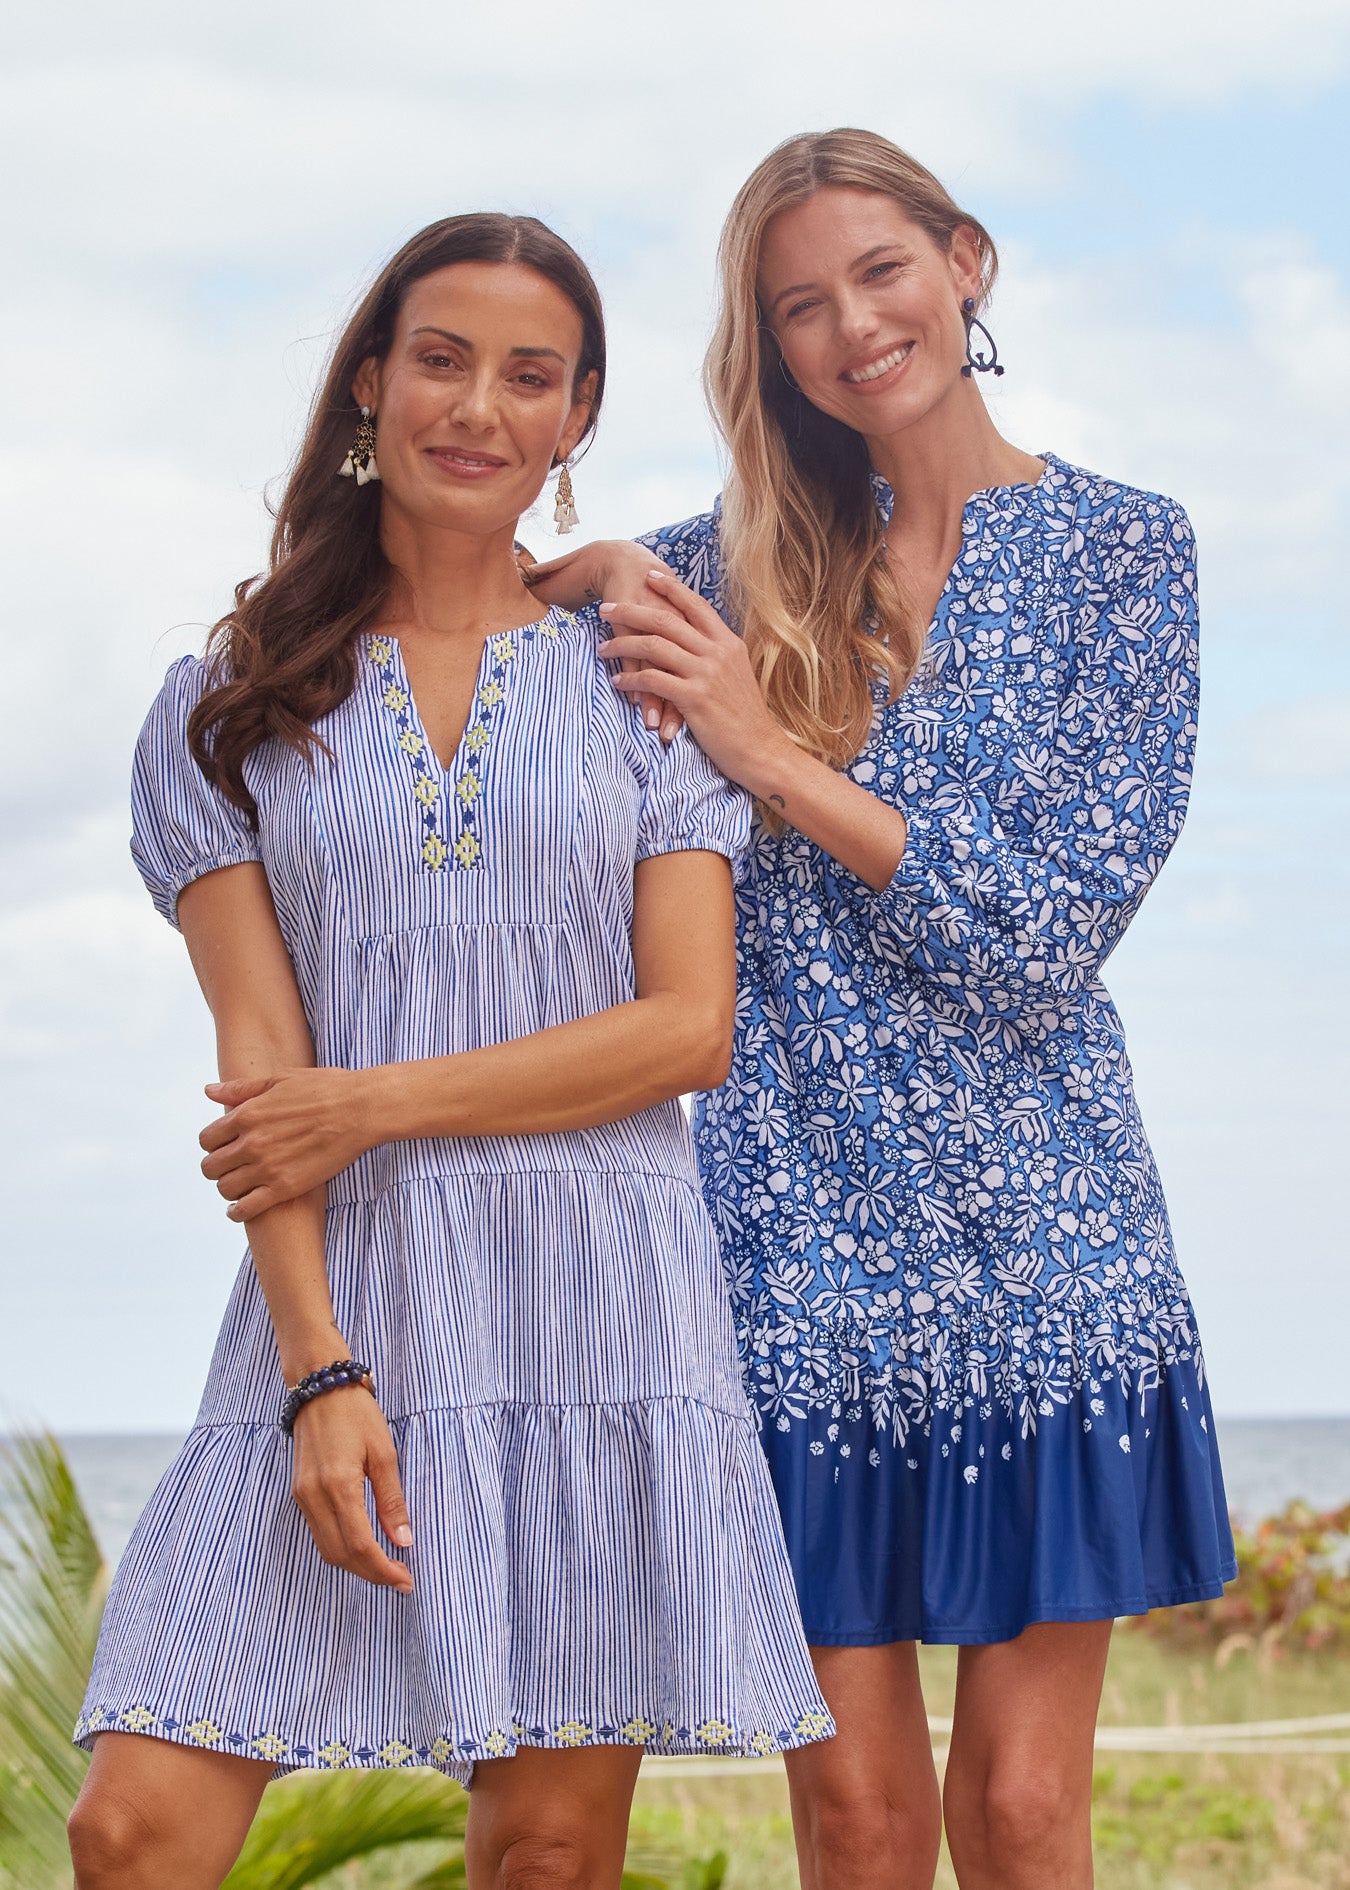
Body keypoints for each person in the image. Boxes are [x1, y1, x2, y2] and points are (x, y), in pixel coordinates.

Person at [67, 212, 831, 1890]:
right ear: (367, 382)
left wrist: (376, 1100)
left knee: (549, 1853)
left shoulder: (643, 684)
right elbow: (265, 1084)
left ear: (575, 423)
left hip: (599, 1302)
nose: (477, 405)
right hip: (342, 1305)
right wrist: (319, 1370)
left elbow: (682, 1028)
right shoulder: (231, 697)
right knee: (134, 1828)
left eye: (529, 375)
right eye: (440, 357)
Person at [527, 129, 1237, 1890]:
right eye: (798, 307)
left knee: (1019, 1811)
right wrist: (588, 566)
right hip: (794, 1254)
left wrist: (765, 754)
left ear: (965, 262)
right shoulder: (720, 572)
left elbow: (1044, 934)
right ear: (766, 347)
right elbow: (489, 596)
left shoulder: (1126, 558)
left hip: (1054, 1244)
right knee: (851, 1821)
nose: (851, 326)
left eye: (879, 272)